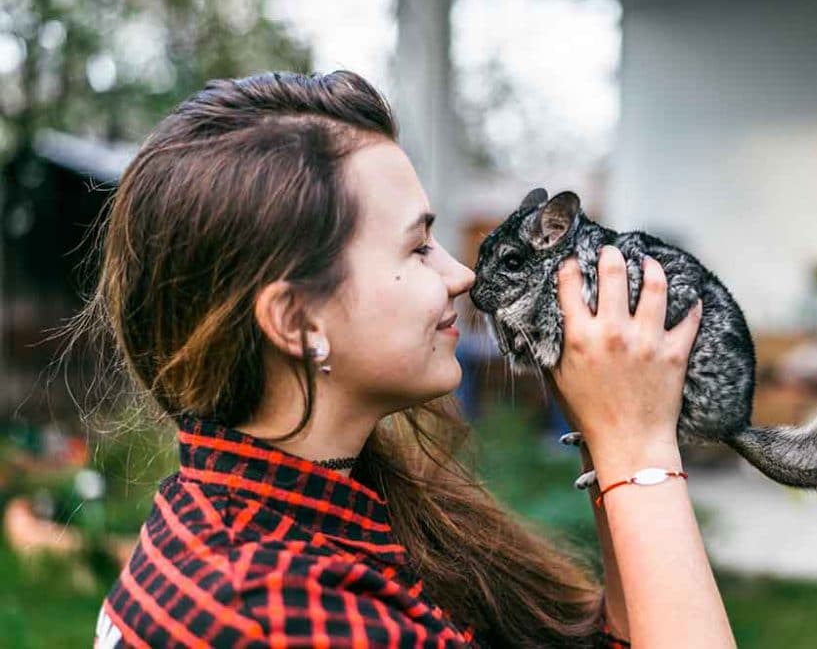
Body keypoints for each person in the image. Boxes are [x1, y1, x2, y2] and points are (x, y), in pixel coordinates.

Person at [73, 70, 733, 647]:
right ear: (296, 321)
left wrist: (609, 437)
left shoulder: (309, 520)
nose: (460, 275)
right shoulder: (283, 610)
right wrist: (640, 449)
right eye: (417, 249)